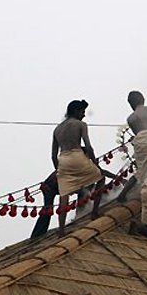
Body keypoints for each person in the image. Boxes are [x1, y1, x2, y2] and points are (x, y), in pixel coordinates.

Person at [53, 100, 108, 237]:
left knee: (64, 195)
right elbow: (88, 147)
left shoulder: (57, 129)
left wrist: (59, 171)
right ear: (76, 111)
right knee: (101, 178)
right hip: (77, 156)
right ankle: (94, 212)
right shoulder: (81, 125)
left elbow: (53, 155)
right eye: (82, 112)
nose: (84, 115)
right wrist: (95, 164)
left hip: (63, 160)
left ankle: (61, 230)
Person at [117, 91, 147, 203]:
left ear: (131, 104)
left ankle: (123, 194)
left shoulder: (131, 118)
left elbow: (139, 133)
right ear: (143, 99)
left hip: (141, 145)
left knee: (141, 170)